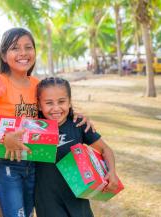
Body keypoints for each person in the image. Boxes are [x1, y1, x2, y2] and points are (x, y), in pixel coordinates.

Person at [0, 28, 92, 217]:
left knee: (28, 212)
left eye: (28, 47)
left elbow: (52, 109)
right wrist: (1, 136)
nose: (23, 53)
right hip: (6, 160)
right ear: (5, 56)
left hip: (32, 161)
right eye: (15, 48)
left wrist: (76, 116)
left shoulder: (36, 85)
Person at [34, 77, 119, 217]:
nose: (56, 108)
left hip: (78, 199)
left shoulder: (78, 124)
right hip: (47, 202)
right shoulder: (33, 127)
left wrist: (112, 172)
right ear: (39, 105)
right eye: (49, 103)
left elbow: (105, 149)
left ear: (69, 102)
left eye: (61, 102)